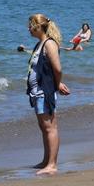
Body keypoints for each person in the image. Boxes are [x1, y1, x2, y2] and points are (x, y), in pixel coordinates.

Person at [26, 14, 70, 175]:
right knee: (44, 127)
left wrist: (57, 84)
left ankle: (52, 164)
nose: (28, 29)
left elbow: (57, 69)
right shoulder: (40, 44)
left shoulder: (49, 44)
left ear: (38, 26)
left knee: (50, 127)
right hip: (37, 93)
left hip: (45, 92)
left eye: (30, 25)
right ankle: (46, 160)